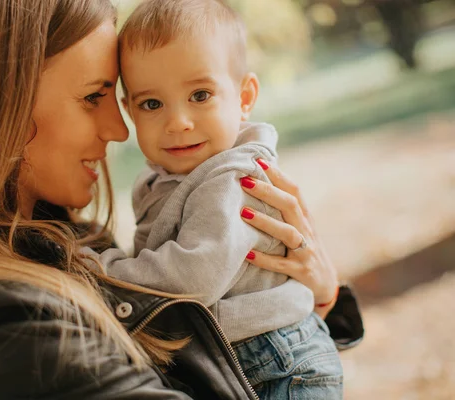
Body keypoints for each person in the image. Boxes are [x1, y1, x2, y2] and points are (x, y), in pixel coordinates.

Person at [0, 0, 363, 399]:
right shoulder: (0, 319)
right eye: (93, 97)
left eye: (200, 94)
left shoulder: (53, 242)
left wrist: (320, 299)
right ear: (0, 106)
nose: (120, 130)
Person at [77, 0, 342, 398]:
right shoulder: (165, 177)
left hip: (279, 363)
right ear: (130, 109)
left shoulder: (231, 177)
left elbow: (192, 276)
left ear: (245, 96)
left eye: (200, 95)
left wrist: (102, 269)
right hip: (241, 356)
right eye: (152, 104)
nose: (178, 121)